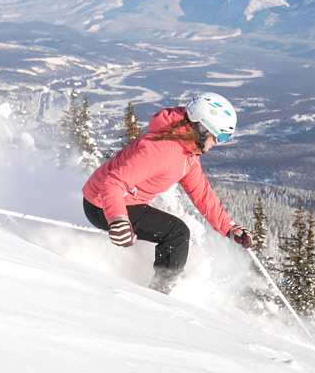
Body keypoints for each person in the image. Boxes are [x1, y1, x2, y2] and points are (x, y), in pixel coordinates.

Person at [82, 92, 253, 294]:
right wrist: (118, 219)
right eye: (220, 136)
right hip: (102, 205)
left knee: (174, 231)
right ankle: (160, 294)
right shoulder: (162, 151)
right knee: (176, 233)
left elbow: (201, 193)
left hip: (123, 200)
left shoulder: (186, 151)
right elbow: (113, 182)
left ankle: (160, 287)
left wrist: (228, 228)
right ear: (201, 127)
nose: (217, 142)